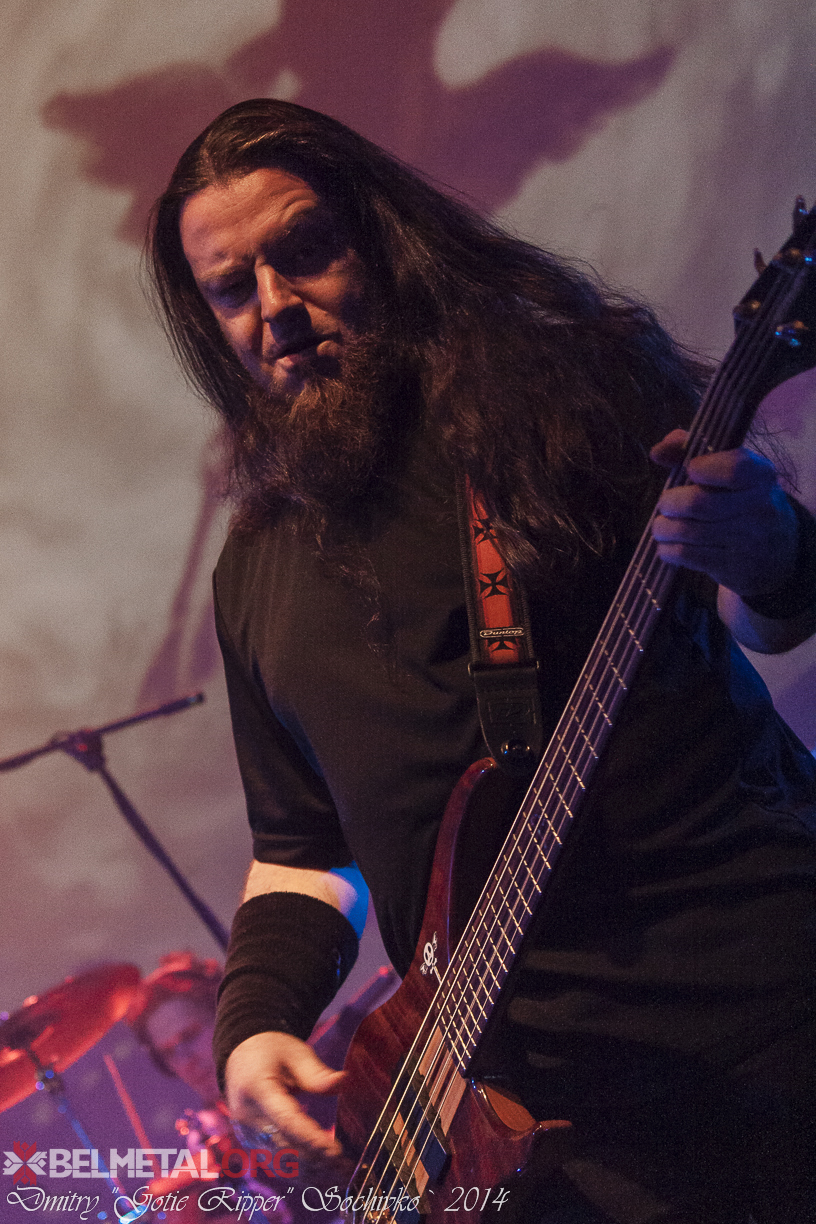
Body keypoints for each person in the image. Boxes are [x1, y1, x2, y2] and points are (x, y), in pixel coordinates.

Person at [147, 99, 816, 1224]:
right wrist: (255, 1027)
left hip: (756, 1028)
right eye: (231, 288)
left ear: (381, 239)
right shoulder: (253, 568)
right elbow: (303, 855)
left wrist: (770, 548)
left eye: (305, 249)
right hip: (525, 1126)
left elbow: (768, 615)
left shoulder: (563, 394)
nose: (276, 306)